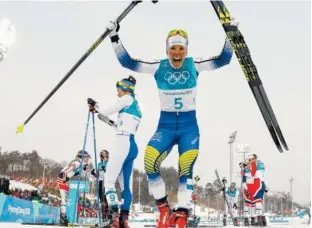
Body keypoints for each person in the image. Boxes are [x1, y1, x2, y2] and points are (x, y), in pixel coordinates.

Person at [105, 17, 239, 228]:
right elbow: (127, 62)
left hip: (188, 128)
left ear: (186, 50)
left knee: (185, 167)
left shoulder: (194, 64)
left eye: (180, 49)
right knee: (150, 162)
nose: (177, 53)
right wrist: (114, 36)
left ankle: (182, 213)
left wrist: (231, 34)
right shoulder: (158, 67)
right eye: (173, 49)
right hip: (165, 126)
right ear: (167, 50)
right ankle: (164, 209)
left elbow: (223, 59)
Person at [87, 75, 142, 228]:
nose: (117, 92)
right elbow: (120, 125)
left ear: (124, 89)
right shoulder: (135, 104)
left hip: (123, 144)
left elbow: (107, 110)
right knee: (125, 187)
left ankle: (114, 218)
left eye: (118, 89)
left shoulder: (126, 99)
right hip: (131, 144)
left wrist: (95, 104)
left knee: (109, 182)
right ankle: (124, 219)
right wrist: (103, 118)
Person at [56, 150, 91, 226]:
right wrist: (64, 180)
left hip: (65, 180)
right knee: (64, 199)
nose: (87, 159)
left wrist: (84, 169)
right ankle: (63, 218)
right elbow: (66, 171)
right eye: (86, 157)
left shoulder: (80, 164)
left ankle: (64, 218)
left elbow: (75, 172)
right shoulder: (77, 163)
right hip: (62, 179)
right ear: (82, 157)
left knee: (66, 200)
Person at [244, 154, 266, 226]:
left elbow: (252, 174)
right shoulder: (260, 163)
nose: (249, 163)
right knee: (258, 202)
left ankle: (258, 219)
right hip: (261, 183)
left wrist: (244, 173)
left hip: (256, 184)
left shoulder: (254, 164)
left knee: (255, 202)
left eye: (249, 160)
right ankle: (262, 219)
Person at [91, 150, 110, 219]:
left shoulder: (109, 163)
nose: (102, 156)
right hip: (100, 181)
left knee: (105, 199)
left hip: (107, 182)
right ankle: (103, 216)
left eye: (103, 155)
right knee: (101, 199)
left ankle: (107, 215)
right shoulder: (99, 164)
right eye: (101, 155)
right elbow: (98, 176)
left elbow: (110, 173)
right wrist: (93, 174)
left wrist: (105, 169)